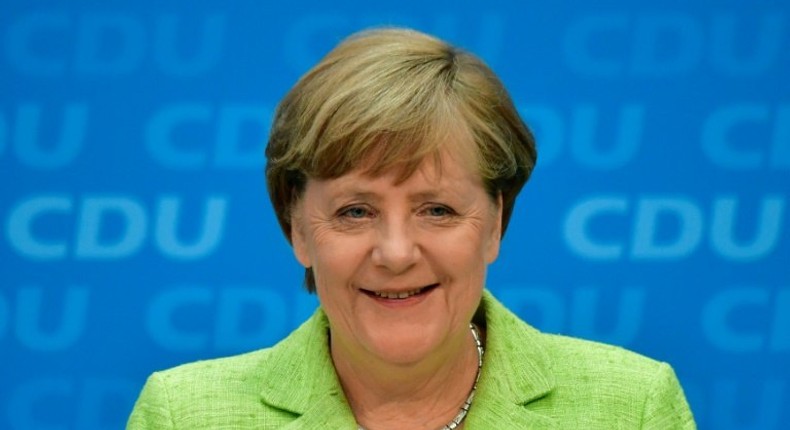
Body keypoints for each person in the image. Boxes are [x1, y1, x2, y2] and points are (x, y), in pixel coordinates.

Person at [127, 27, 696, 429]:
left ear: (495, 221)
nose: (396, 253)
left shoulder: (633, 408)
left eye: (437, 210)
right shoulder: (182, 415)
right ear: (296, 227)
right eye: (355, 211)